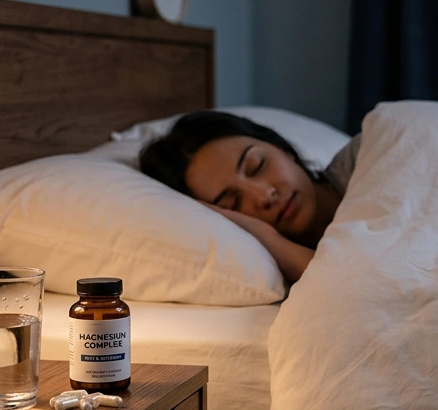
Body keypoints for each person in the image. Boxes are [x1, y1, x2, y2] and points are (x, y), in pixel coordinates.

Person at [139, 111, 357, 284]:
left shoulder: (367, 159)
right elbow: (359, 287)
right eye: (232, 203)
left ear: (281, 148)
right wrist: (272, 241)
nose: (264, 196)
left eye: (257, 165)